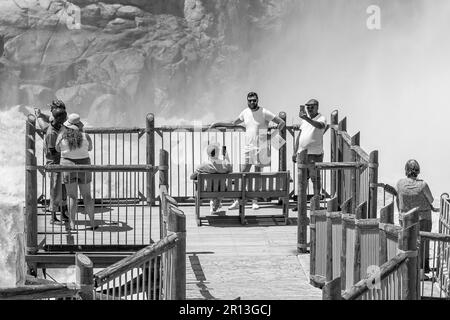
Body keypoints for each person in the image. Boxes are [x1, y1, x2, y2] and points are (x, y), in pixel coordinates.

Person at [209, 92, 285, 210]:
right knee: (243, 174)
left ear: (258, 100)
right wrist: (217, 123)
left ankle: (255, 201)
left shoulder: (264, 112)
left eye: (254, 100)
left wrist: (271, 137)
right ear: (247, 101)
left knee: (257, 174)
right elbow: (232, 124)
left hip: (261, 148)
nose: (252, 102)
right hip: (248, 147)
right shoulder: (245, 112)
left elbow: (281, 123)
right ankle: (239, 201)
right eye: (250, 100)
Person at [396, 159, 439, 279]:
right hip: (423, 218)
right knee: (422, 244)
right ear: (418, 171)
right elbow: (430, 200)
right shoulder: (423, 184)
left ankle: (406, 269)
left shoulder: (400, 183)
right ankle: (420, 273)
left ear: (406, 171)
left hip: (406, 219)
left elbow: (398, 199)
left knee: (407, 243)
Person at [56, 113, 97, 231]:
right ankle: (93, 223)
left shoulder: (62, 136)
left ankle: (72, 224)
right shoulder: (86, 136)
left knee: (71, 196)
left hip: (68, 167)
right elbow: (90, 148)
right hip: (84, 166)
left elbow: (57, 148)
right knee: (87, 196)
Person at [293, 99, 327, 200]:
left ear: (317, 107)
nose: (309, 108)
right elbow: (300, 136)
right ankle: (301, 204)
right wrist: (295, 152)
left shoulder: (321, 118)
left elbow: (320, 126)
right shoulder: (304, 120)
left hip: (315, 154)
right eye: (308, 106)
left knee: (315, 179)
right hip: (302, 154)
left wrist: (306, 118)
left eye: (312, 106)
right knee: (302, 179)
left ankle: (316, 203)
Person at [190, 143, 233, 214]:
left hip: (208, 190)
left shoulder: (204, 165)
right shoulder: (224, 164)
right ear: (218, 153)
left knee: (212, 186)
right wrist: (226, 156)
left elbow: (192, 177)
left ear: (208, 154)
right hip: (223, 190)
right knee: (220, 187)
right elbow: (230, 169)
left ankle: (214, 205)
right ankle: (216, 205)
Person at [44, 107, 69, 224]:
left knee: (63, 190)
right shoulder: (51, 133)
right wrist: (66, 152)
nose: (65, 120)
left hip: (62, 163)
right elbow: (53, 152)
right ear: (58, 118)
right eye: (63, 118)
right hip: (55, 165)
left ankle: (63, 213)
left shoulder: (59, 127)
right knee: (55, 190)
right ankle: (53, 217)